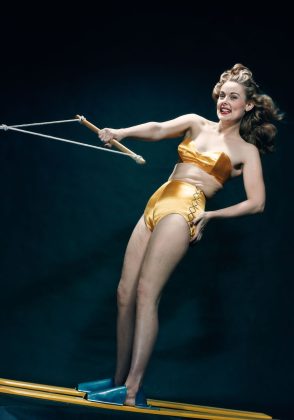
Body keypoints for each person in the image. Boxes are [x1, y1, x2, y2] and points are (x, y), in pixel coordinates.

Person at [77, 63, 283, 408]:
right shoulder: (195, 123)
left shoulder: (246, 150)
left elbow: (257, 203)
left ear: (248, 105)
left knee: (146, 293)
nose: (226, 101)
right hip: (159, 199)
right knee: (125, 293)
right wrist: (122, 132)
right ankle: (116, 381)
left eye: (235, 97)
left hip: (186, 207)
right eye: (224, 95)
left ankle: (132, 390)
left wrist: (211, 215)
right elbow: (158, 129)